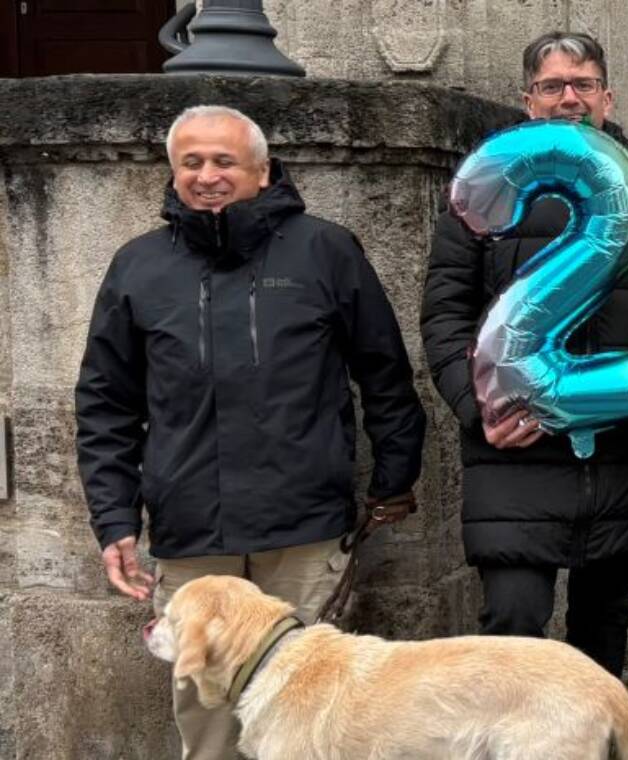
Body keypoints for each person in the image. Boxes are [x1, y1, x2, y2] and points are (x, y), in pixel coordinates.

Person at [77, 104, 427, 760]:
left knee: (310, 708)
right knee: (204, 711)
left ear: (262, 172)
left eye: (224, 161)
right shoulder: (138, 266)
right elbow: (105, 404)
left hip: (302, 527)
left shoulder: (325, 249)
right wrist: (113, 519)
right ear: (173, 172)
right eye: (192, 162)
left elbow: (384, 372)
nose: (208, 175)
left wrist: (394, 478)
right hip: (192, 534)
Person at [421, 31, 628, 679]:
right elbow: (444, 316)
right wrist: (478, 408)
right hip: (518, 460)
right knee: (514, 627)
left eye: (582, 84)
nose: (569, 98)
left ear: (607, 96)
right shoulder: (484, 192)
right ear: (529, 101)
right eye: (552, 86)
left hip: (625, 455)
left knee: (602, 639)